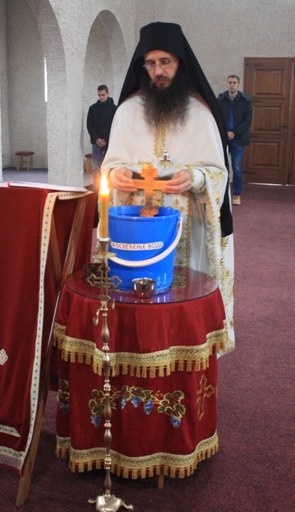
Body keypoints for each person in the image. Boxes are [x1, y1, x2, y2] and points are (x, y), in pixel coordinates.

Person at [102, 22, 234, 350]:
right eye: (150, 64)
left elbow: (218, 174)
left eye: (165, 62)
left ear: (180, 63)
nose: (158, 71)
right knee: (136, 299)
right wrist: (116, 175)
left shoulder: (201, 114)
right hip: (136, 228)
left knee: (182, 296)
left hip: (188, 226)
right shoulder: (127, 112)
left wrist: (197, 178)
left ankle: (187, 348)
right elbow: (110, 167)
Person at [217, 75, 252, 205]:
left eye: (234, 82)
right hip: (223, 138)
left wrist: (234, 132)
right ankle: (221, 194)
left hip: (238, 139)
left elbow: (247, 120)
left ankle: (236, 194)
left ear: (238, 85)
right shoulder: (220, 100)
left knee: (236, 168)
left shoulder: (245, 101)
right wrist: (225, 132)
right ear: (227, 84)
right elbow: (216, 117)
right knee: (221, 167)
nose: (232, 85)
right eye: (230, 82)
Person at [86, 85, 117, 175]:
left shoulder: (114, 109)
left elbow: (115, 126)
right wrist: (97, 139)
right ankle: (97, 183)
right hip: (96, 142)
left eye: (103, 95)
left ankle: (108, 183)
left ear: (108, 94)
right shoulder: (93, 108)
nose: (101, 97)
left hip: (109, 141)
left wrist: (107, 139)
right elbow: (89, 125)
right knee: (97, 166)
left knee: (109, 165)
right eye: (99, 95)